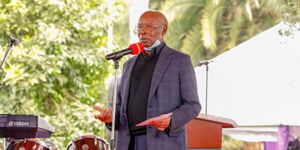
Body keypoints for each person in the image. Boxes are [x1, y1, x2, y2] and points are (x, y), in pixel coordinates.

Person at [93, 10, 201, 150]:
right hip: (128, 143)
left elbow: (193, 105)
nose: (142, 31)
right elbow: (121, 107)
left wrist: (171, 119)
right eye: (140, 27)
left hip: (162, 142)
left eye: (149, 27)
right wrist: (111, 118)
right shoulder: (128, 64)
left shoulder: (179, 61)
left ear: (163, 30)